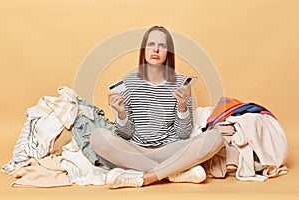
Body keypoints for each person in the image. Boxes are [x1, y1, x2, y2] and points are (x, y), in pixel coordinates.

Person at [90, 26, 224, 188]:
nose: (155, 50)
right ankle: (173, 172)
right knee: (97, 137)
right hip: (136, 150)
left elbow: (183, 135)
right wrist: (121, 114)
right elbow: (124, 135)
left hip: (171, 150)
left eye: (162, 46)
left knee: (216, 137)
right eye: (150, 44)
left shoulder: (181, 84)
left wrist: (182, 107)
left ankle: (148, 177)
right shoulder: (129, 83)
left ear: (169, 52)